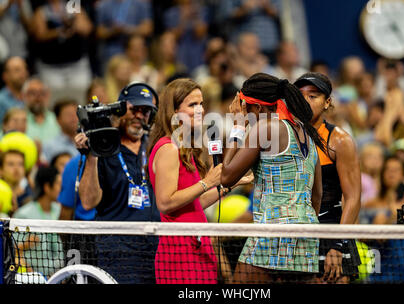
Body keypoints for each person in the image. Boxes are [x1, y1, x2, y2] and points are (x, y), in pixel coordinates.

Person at [221, 73, 324, 283]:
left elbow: (226, 175)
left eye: (245, 109)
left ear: (258, 108)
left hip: (272, 230)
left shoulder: (265, 128)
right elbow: (317, 195)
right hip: (307, 234)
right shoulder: (307, 134)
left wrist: (238, 127)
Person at [76, 82, 161, 284]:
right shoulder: (104, 147)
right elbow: (88, 202)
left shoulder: (157, 147)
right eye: (134, 109)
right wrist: (92, 154)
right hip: (117, 252)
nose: (140, 115)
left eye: (146, 111)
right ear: (121, 109)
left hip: (156, 248)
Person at [147, 78, 224, 284]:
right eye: (192, 105)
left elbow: (193, 205)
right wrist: (207, 182)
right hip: (179, 252)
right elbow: (165, 203)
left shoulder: (183, 147)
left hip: (196, 245)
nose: (200, 109)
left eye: (201, 103)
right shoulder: (168, 148)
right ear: (174, 112)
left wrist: (228, 184)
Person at [294, 72, 362, 284]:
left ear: (327, 102)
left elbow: (353, 198)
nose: (306, 101)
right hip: (296, 232)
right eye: (301, 95)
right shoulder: (284, 137)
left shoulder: (340, 140)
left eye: (313, 96)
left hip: (331, 231)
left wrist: (338, 244)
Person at [32, 0, 93, 106]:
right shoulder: (41, 11)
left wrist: (72, 25)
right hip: (51, 66)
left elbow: (87, 28)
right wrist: (58, 32)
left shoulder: (72, 6)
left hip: (77, 63)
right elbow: (39, 34)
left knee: (82, 98)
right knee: (52, 101)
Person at [12, 165, 64, 278]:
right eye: (58, 184)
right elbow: (11, 249)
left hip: (56, 276)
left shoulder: (60, 211)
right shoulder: (23, 214)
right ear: (47, 187)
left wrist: (58, 275)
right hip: (28, 277)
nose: (61, 188)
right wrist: (25, 245)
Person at [22, 77, 61, 144]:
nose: (38, 97)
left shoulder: (58, 120)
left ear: (48, 95)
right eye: (33, 93)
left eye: (42, 93)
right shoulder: (16, 120)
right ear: (24, 96)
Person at [41, 99, 80, 163]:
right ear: (57, 120)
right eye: (68, 114)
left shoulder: (89, 142)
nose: (73, 117)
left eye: (76, 113)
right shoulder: (49, 147)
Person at [0, 56, 29, 124]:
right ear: (5, 76)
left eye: (24, 69)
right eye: (17, 70)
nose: (23, 73)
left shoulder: (30, 97)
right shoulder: (1, 100)